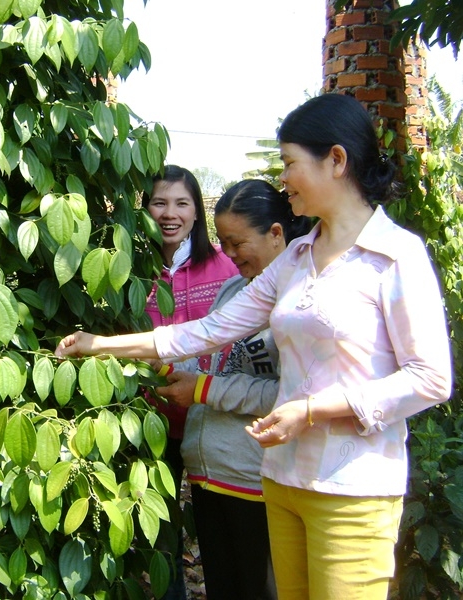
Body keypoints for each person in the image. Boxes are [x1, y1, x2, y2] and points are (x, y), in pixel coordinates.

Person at [56, 93, 452, 600]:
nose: (282, 178)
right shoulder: (297, 259)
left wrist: (311, 410)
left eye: (290, 164)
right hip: (284, 479)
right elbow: (207, 330)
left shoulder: (395, 256)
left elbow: (430, 378)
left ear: (336, 160)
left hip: (352, 488)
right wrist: (101, 344)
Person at [156, 179, 310, 600]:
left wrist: (204, 390)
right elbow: (210, 354)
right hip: (210, 476)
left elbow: (287, 396)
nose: (229, 253)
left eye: (237, 242)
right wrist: (162, 364)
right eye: (223, 241)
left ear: (276, 233)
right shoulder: (235, 290)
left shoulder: (300, 304)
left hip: (255, 480)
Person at [142, 165, 237, 599]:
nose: (170, 213)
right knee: (161, 531)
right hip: (152, 421)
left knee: (221, 535)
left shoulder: (224, 268)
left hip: (209, 420)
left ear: (198, 212)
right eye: (159, 202)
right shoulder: (131, 268)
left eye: (182, 203)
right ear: (145, 208)